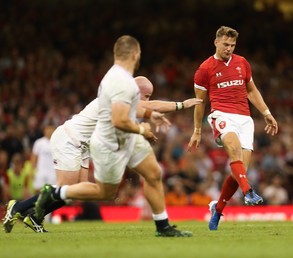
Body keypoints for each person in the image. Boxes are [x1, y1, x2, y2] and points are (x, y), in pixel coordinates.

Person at [3, 73, 201, 235]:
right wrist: (181, 105)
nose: (147, 100)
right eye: (146, 95)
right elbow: (149, 107)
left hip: (83, 145)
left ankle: (35, 216)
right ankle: (18, 207)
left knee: (74, 192)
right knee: (66, 187)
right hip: (69, 139)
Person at [187, 26, 278, 230]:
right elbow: (199, 102)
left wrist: (266, 113)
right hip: (222, 115)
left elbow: (252, 90)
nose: (229, 48)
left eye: (232, 45)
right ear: (216, 42)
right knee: (234, 150)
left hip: (245, 119)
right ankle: (249, 193)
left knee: (240, 173)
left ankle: (217, 209)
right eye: (226, 44)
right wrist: (197, 130)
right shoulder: (204, 69)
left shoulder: (242, 63)